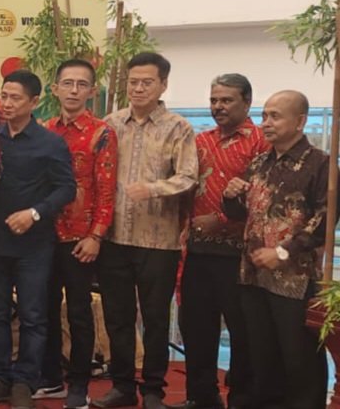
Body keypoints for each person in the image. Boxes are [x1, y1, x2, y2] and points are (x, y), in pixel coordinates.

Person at [96, 53, 196, 409]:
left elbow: (188, 177)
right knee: (117, 317)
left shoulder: (178, 127)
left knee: (155, 319)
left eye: (147, 82)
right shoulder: (109, 124)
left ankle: (153, 390)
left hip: (158, 241)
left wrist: (153, 189)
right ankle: (122, 386)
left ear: (163, 85)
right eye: (133, 82)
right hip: (113, 238)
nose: (138, 89)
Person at [0, 71, 75, 409]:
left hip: (35, 245)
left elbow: (66, 188)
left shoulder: (50, 143)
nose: (7, 103)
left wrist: (34, 213)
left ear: (34, 102)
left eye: (15, 97)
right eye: (4, 95)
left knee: (33, 315)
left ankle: (25, 382)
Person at [224, 90, 329, 409]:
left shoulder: (320, 164)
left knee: (299, 359)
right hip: (254, 275)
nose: (266, 123)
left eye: (275, 116)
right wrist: (230, 196)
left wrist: (283, 252)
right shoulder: (259, 163)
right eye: (264, 115)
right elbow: (240, 215)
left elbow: (325, 219)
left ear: (300, 121)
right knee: (262, 356)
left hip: (294, 279)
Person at [178, 74, 264, 409]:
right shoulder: (200, 141)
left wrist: (223, 220)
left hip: (239, 255)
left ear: (247, 102)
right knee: (196, 326)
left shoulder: (261, 142)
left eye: (226, 100)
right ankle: (201, 397)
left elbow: (264, 197)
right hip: (198, 251)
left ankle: (241, 399)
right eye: (214, 100)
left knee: (243, 332)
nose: (218, 107)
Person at [38, 59, 117, 409]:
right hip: (43, 237)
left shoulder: (102, 133)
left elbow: (106, 190)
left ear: (92, 91)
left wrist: (96, 236)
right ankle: (51, 379)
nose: (73, 90)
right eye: (67, 83)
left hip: (80, 239)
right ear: (55, 88)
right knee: (43, 309)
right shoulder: (43, 130)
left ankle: (79, 385)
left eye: (81, 84)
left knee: (79, 313)